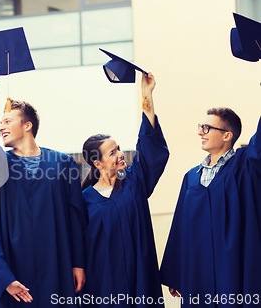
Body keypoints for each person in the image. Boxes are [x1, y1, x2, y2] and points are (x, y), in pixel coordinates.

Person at [0, 69, 86, 307]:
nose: (1, 127)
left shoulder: (63, 163)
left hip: (57, 266)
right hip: (14, 274)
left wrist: (78, 263)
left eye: (7, 121)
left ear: (27, 125)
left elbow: (76, 218)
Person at [80, 73, 169, 307]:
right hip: (104, 286)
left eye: (118, 148)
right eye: (112, 152)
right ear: (97, 164)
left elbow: (150, 149)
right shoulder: (84, 201)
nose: (120, 154)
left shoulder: (133, 182)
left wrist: (147, 96)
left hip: (141, 279)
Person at [160, 106, 261, 307]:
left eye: (207, 128)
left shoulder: (244, 166)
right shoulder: (191, 177)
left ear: (227, 135)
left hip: (232, 265)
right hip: (197, 269)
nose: (200, 132)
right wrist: (176, 272)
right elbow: (180, 225)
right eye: (201, 127)